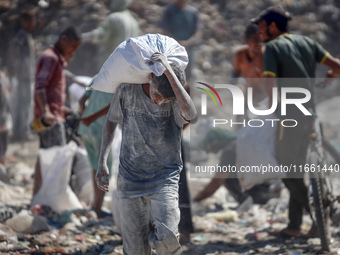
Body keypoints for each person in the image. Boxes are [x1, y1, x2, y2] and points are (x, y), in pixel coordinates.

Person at [251, 5, 340, 237]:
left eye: (261, 27)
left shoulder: (273, 48)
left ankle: (319, 217)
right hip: (312, 115)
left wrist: (273, 111)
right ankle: (294, 225)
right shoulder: (308, 43)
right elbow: (337, 66)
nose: (259, 32)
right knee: (298, 168)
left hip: (289, 119)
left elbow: (270, 85)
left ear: (272, 26)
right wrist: (331, 75)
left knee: (289, 170)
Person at [96, 52, 197, 254]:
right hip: (130, 179)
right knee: (135, 249)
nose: (159, 101)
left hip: (164, 178)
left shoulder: (176, 100)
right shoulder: (126, 90)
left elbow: (191, 115)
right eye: (157, 95)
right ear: (150, 78)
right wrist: (102, 162)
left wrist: (169, 72)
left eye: (165, 99)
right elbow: (111, 121)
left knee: (167, 239)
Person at [32, 26, 81, 196]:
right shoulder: (51, 58)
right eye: (73, 46)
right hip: (50, 120)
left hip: (52, 115)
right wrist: (47, 110)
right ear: (64, 39)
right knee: (58, 161)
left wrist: (61, 108)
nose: (73, 51)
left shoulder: (57, 59)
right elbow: (39, 87)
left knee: (45, 158)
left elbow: (50, 90)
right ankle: (52, 199)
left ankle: (38, 197)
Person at [193, 128, 281, 205]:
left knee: (227, 178)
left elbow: (218, 180)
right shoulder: (240, 142)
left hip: (261, 192)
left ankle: (246, 199)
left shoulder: (230, 148)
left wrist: (197, 199)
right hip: (272, 186)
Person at [78, 87, 113, 218]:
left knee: (95, 167)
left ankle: (95, 206)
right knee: (104, 167)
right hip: (101, 130)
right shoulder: (120, 78)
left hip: (85, 129)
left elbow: (81, 101)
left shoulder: (96, 78)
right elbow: (114, 105)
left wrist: (83, 117)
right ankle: (97, 209)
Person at [82, 0, 140, 70]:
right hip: (127, 67)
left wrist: (81, 37)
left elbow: (101, 36)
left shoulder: (114, 17)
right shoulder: (134, 22)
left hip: (111, 65)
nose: (109, 3)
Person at [8, 10, 36, 142]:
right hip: (23, 76)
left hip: (26, 75)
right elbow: (13, 47)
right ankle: (22, 133)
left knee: (22, 104)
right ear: (25, 22)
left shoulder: (26, 35)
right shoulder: (23, 35)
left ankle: (19, 131)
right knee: (24, 104)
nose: (33, 23)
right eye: (31, 21)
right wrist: (17, 67)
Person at [160, 0, 202, 84]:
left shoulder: (193, 12)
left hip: (188, 50)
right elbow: (165, 30)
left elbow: (198, 31)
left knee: (188, 77)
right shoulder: (169, 11)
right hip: (172, 50)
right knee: (172, 76)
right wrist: (177, 43)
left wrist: (188, 42)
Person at [232, 23, 266, 107]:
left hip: (267, 95)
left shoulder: (266, 56)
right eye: (255, 39)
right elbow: (235, 75)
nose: (258, 43)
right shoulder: (240, 54)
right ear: (246, 40)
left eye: (260, 39)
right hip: (250, 93)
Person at [0, 60, 11, 165]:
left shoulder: (3, 78)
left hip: (3, 116)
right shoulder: (4, 78)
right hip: (4, 116)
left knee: (3, 142)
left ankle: (2, 161)